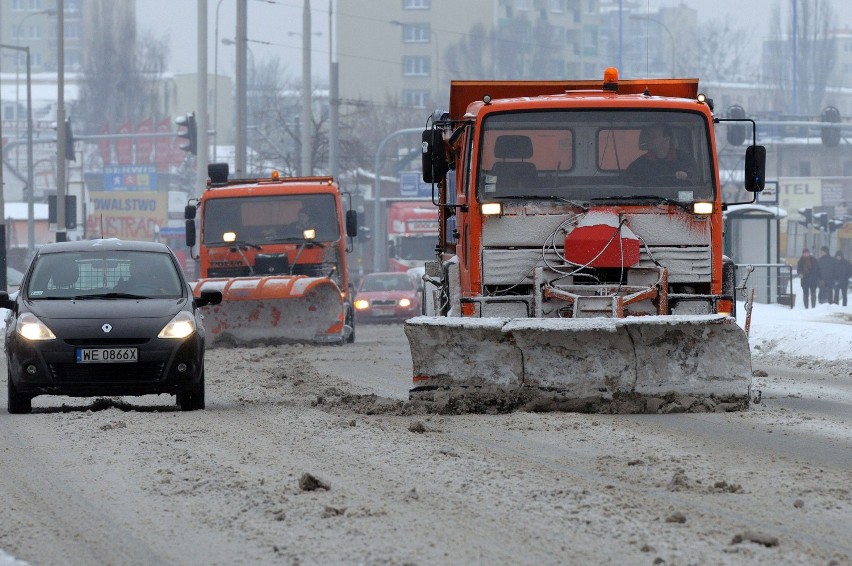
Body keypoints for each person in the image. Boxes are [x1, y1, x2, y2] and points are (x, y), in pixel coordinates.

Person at [625, 123, 698, 186]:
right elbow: (625, 179)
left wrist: (686, 175)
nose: (649, 139)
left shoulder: (685, 159)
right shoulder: (640, 163)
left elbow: (695, 175)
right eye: (648, 136)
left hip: (678, 200)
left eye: (653, 137)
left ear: (667, 139)